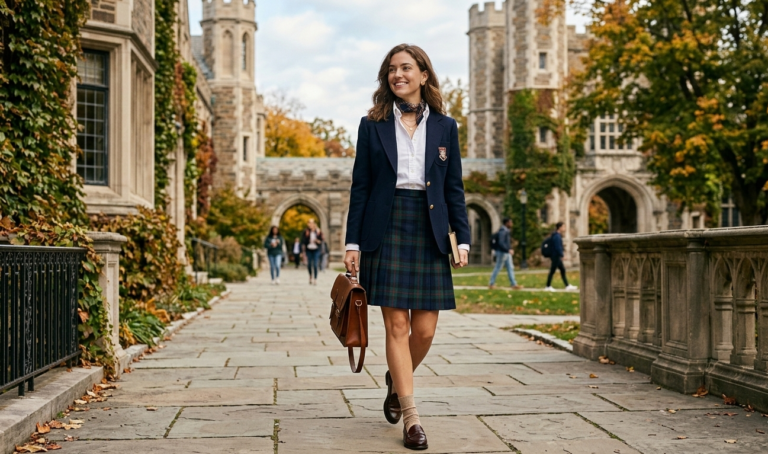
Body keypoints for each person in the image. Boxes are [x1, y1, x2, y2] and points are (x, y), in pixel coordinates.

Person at [343, 44, 470, 450]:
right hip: (387, 226)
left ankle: (396, 382)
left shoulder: (446, 127)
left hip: (430, 227)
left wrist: (461, 238)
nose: (398, 75)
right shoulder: (371, 125)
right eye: (392, 70)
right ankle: (411, 417)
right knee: (396, 327)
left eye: (406, 68)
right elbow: (360, 187)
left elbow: (454, 188)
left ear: (424, 75)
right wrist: (353, 242)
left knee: (425, 330)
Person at [489, 218, 522, 290]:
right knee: (498, 267)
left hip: (506, 252)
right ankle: (491, 283)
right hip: (502, 252)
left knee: (510, 267)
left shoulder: (506, 231)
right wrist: (508, 249)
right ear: (507, 223)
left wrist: (509, 249)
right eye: (510, 222)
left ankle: (513, 283)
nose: (511, 224)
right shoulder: (503, 231)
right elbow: (501, 242)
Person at [544, 222, 578, 291]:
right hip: (555, 256)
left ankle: (567, 286)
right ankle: (548, 286)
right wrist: (562, 255)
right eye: (563, 227)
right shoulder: (557, 236)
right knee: (552, 271)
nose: (564, 228)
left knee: (562, 270)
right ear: (559, 227)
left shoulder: (557, 235)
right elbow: (557, 247)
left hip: (556, 256)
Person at [302, 219, 323, 285]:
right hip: (309, 249)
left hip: (316, 250)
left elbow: (321, 241)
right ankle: (310, 275)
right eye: (309, 223)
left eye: (311, 223)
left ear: (314, 224)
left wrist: (317, 241)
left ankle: (315, 279)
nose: (310, 224)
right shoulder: (306, 232)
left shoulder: (318, 231)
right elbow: (303, 241)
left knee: (315, 264)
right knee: (309, 265)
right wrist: (308, 240)